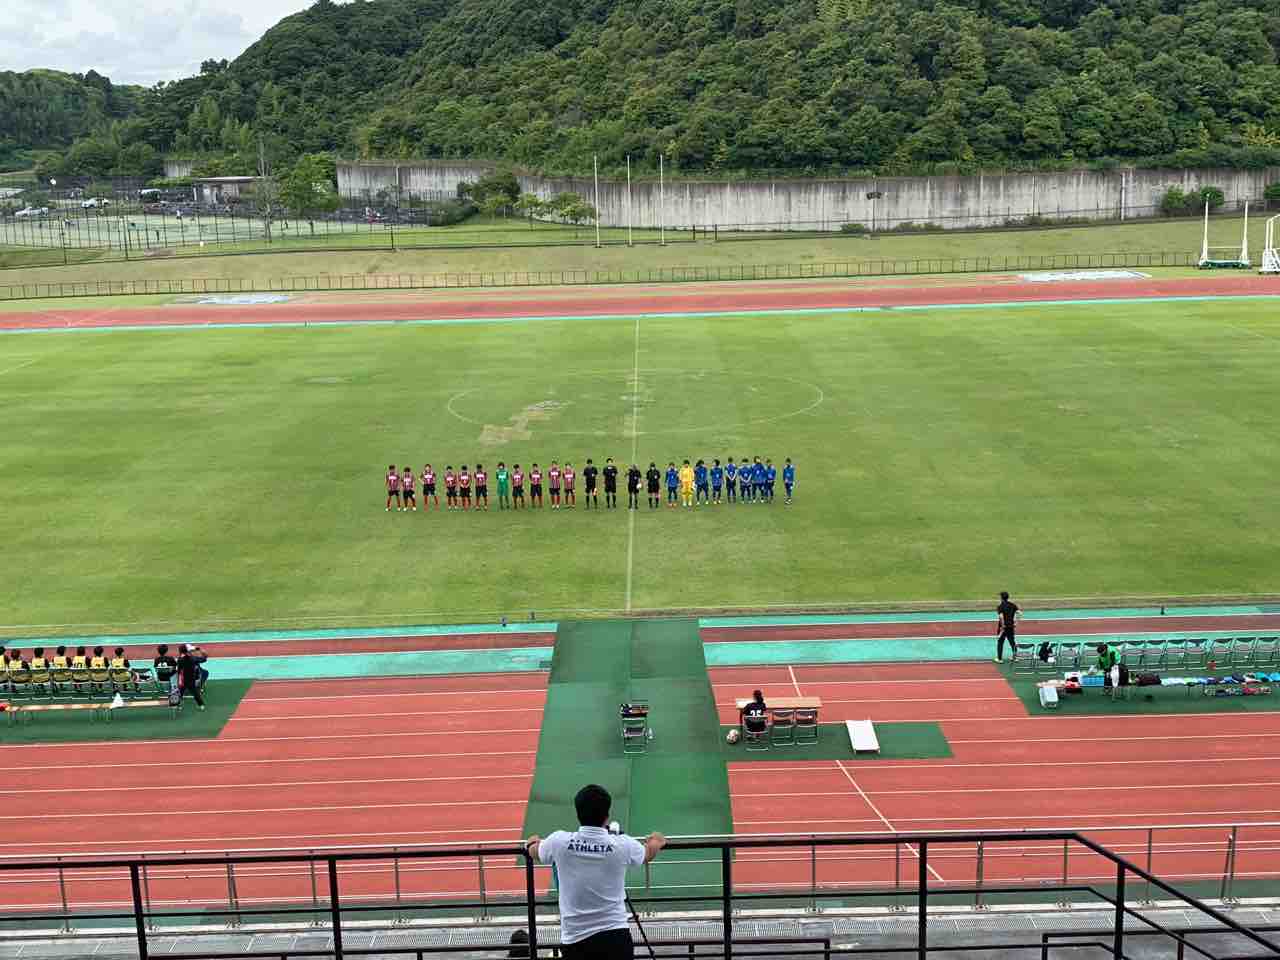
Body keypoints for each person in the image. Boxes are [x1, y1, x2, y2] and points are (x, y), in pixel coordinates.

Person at [526, 784, 666, 960]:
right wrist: (656, 842)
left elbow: (535, 851)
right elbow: (647, 854)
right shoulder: (623, 844)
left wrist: (531, 843)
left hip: (575, 941)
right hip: (616, 938)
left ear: (578, 813)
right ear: (607, 816)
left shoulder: (558, 841)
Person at [177, 643, 208, 710]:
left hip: (183, 679)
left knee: (180, 693)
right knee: (195, 693)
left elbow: (179, 670)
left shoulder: (179, 659)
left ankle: (179, 706)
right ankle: (201, 705)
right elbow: (204, 658)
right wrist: (200, 650)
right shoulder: (193, 659)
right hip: (191, 679)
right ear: (187, 651)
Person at [996, 591, 1020, 663]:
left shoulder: (1000, 606)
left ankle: (999, 659)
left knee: (1000, 642)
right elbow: (1019, 613)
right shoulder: (1012, 605)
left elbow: (1001, 616)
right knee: (1012, 642)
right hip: (1011, 627)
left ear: (1001, 598)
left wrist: (1003, 626)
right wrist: (1016, 622)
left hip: (1003, 628)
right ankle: (1015, 657)